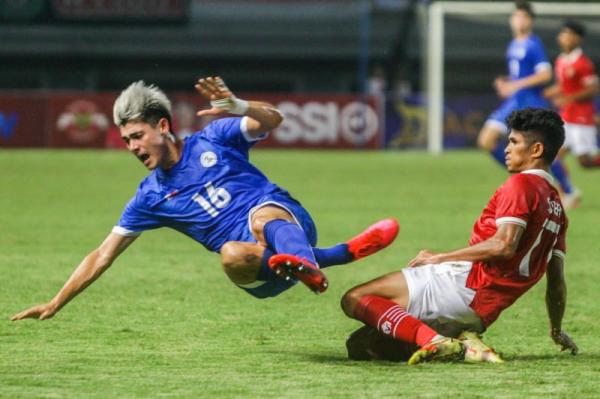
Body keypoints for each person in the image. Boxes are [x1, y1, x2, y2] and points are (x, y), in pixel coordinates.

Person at [11, 77, 399, 321]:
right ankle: (334, 254)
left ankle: (310, 262)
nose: (131, 147)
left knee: (262, 216)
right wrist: (55, 302)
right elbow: (102, 254)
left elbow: (274, 120)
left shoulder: (215, 138)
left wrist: (242, 107)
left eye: (136, 136)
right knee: (230, 252)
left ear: (162, 126)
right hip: (258, 272)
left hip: (289, 222)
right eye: (126, 140)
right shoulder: (151, 197)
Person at [342, 108, 578, 364]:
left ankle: (436, 341)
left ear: (536, 150)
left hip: (465, 286)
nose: (506, 149)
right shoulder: (558, 210)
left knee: (354, 298)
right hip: (480, 313)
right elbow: (556, 285)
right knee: (362, 345)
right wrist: (556, 329)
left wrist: (441, 257)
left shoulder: (521, 185)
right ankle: (466, 344)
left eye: (513, 142)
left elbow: (503, 246)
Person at [477, 1, 578, 209]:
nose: (520, 21)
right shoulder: (514, 44)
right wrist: (506, 82)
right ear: (512, 20)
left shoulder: (533, 44)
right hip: (515, 101)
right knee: (487, 141)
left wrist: (515, 85)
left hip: (529, 102)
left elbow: (545, 74)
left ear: (530, 21)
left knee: (540, 149)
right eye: (517, 16)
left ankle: (569, 190)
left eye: (524, 17)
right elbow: (521, 75)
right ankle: (529, 179)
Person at [544, 21, 600, 174]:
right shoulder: (561, 60)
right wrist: (548, 92)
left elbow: (593, 89)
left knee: (585, 162)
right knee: (553, 157)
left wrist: (569, 98)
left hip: (581, 117)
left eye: (569, 34)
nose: (565, 37)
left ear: (578, 39)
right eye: (563, 34)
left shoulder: (583, 63)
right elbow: (563, 85)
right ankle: (566, 192)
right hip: (566, 116)